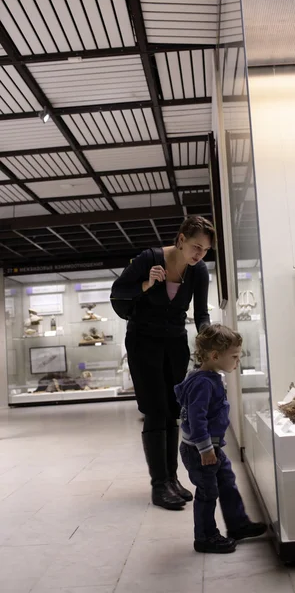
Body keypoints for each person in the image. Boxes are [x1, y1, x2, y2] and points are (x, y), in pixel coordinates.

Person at [111, 216, 215, 511]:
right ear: (181, 239)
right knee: (155, 409)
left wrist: (209, 338)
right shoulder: (149, 259)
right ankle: (159, 485)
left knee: (172, 409)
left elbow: (201, 313)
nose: (199, 255)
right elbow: (118, 295)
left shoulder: (199, 270)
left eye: (205, 250)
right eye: (196, 247)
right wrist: (146, 283)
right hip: (143, 342)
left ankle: (171, 479)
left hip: (175, 344)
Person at [175, 324, 267, 554]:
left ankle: (237, 525)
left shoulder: (208, 377)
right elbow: (197, 420)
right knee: (208, 493)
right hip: (200, 450)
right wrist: (205, 449)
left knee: (226, 481)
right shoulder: (204, 383)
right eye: (234, 357)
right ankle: (205, 537)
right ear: (215, 356)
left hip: (212, 447)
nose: (238, 361)